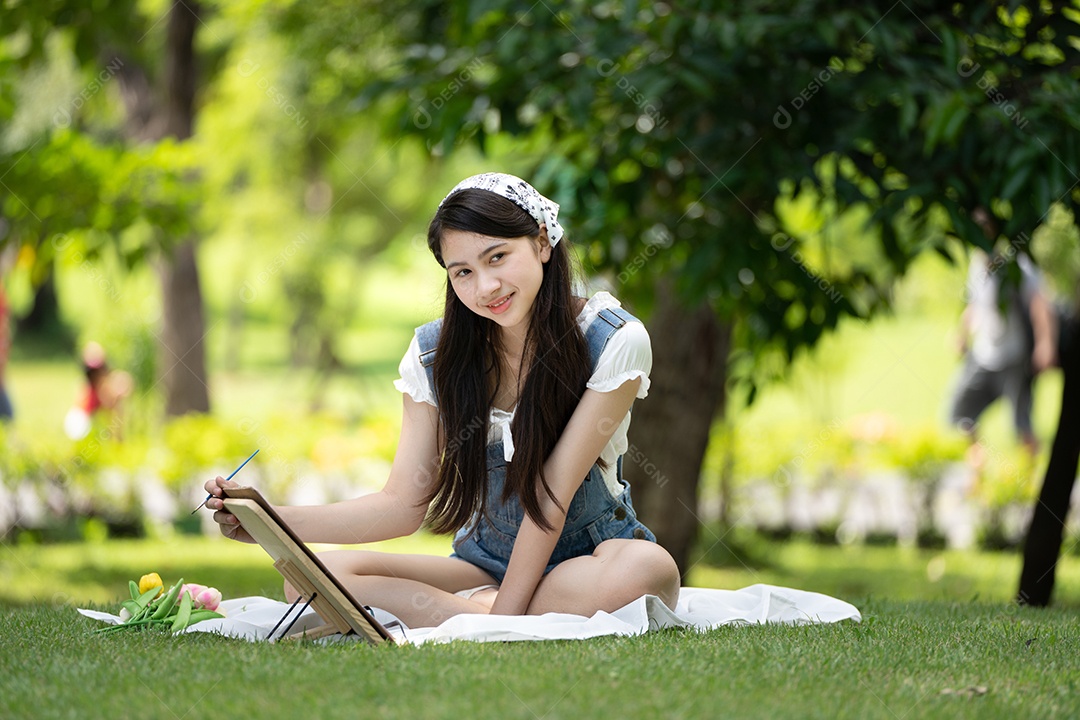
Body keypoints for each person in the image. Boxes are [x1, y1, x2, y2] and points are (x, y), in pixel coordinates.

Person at [203, 173, 680, 627]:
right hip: (486, 566)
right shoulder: (436, 356)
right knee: (311, 578)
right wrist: (270, 520)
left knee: (649, 568)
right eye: (463, 272)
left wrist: (502, 621)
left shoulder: (610, 339)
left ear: (541, 242)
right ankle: (479, 610)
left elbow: (549, 497)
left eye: (497, 257)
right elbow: (401, 504)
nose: (485, 288)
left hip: (590, 559)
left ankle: (475, 616)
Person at [949, 229, 1058, 471]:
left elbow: (1039, 302)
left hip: (1014, 355)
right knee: (961, 413)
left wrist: (1045, 342)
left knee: (1021, 423)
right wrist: (962, 333)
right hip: (984, 354)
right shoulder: (977, 263)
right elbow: (975, 303)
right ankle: (976, 472)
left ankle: (1032, 479)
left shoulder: (1016, 260)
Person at [63, 342, 133, 440]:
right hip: (81, 421)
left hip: (89, 422)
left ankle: (116, 440)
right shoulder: (90, 388)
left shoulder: (106, 384)